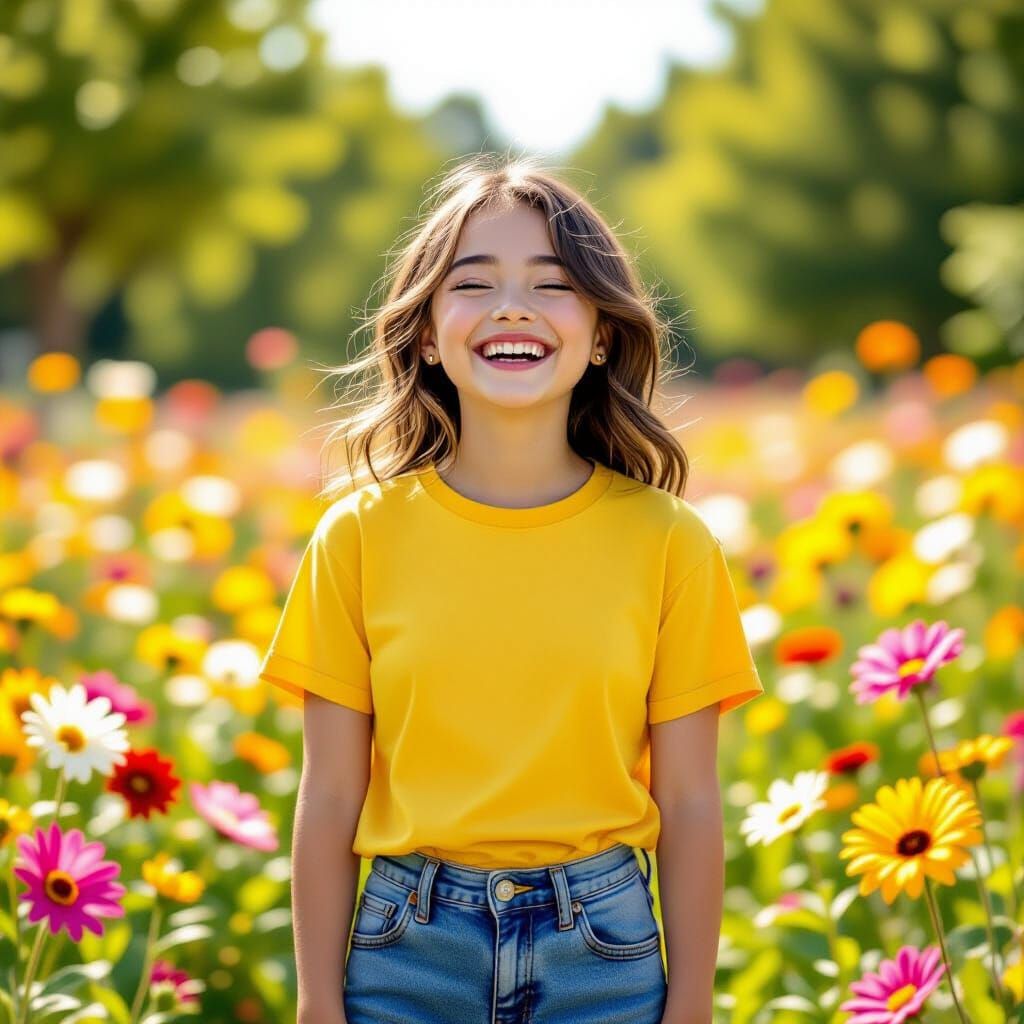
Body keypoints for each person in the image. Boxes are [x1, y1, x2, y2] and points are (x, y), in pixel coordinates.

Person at [258, 154, 765, 1024]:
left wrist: (691, 1007)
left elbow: (687, 803)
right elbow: (331, 794)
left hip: (605, 956)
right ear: (425, 332)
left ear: (602, 333)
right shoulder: (356, 539)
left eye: (553, 284)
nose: (513, 307)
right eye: (474, 283)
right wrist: (316, 1001)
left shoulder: (671, 542)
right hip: (404, 954)